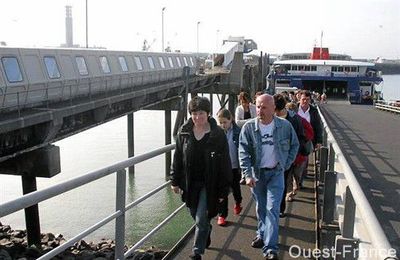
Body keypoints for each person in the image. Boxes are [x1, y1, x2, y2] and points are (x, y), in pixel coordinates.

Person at [170, 96, 232, 260]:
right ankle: (206, 230)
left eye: (201, 113)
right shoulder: (184, 131)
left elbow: (225, 163)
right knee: (193, 213)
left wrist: (223, 190)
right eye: (194, 113)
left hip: (209, 183)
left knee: (200, 218)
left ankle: (197, 252)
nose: (198, 117)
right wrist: (174, 181)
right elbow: (177, 158)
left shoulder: (217, 134)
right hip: (189, 183)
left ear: (209, 113)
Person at [239, 94, 299, 260]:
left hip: (276, 173)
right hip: (257, 174)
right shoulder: (249, 128)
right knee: (261, 208)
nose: (260, 110)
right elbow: (243, 152)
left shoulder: (285, 126)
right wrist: (247, 174)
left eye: (264, 107)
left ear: (274, 109)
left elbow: (295, 145)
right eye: (258, 107)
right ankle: (261, 233)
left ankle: (270, 249)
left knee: (272, 210)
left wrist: (285, 165)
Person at [273, 94, 306, 217]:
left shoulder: (294, 119)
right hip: (271, 159)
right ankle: (274, 209)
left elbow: (300, 138)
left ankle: (280, 209)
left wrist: (293, 157)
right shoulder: (270, 117)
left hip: (286, 160)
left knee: (282, 183)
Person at [216, 108, 243, 226]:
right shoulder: (216, 133)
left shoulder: (238, 131)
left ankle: (238, 202)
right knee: (223, 191)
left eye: (224, 122)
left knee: (235, 187)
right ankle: (222, 215)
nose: (222, 125)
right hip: (222, 167)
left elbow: (243, 149)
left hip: (234, 166)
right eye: (220, 122)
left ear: (230, 120)